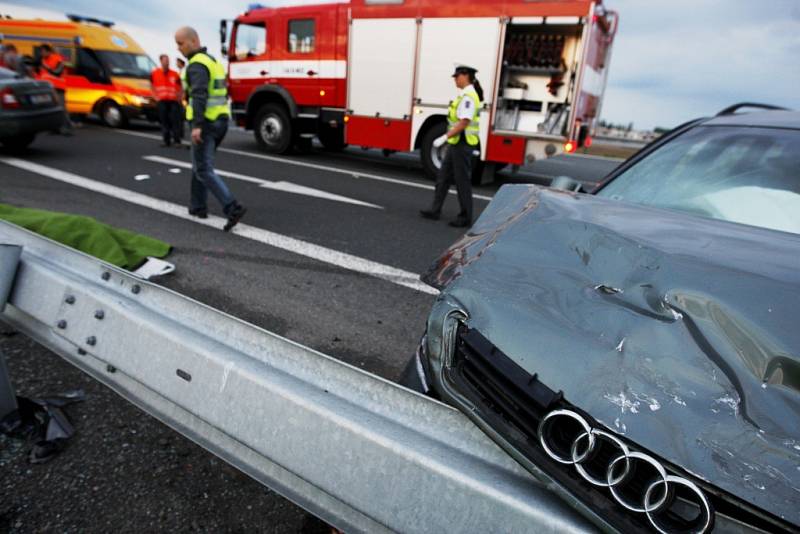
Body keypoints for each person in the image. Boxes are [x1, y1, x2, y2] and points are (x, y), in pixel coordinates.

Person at [174, 26, 246, 231]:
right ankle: (198, 206)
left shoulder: (196, 65)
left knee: (203, 168)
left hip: (206, 123)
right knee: (199, 166)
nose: (178, 48)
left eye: (180, 43)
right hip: (221, 120)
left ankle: (232, 207)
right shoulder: (212, 61)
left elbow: (198, 95)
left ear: (193, 41)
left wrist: (197, 126)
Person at [420, 64, 484, 228]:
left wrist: (444, 137)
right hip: (456, 143)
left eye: (457, 76)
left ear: (465, 76)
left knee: (462, 180)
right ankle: (435, 210)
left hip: (462, 143)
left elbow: (464, 121)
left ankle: (465, 216)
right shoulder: (464, 95)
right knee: (443, 177)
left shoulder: (469, 96)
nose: (455, 79)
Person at [38, 43, 74, 135]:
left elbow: (57, 72)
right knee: (51, 109)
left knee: (61, 108)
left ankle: (67, 128)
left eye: (42, 51)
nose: (41, 53)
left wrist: (47, 67)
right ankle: (54, 128)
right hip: (48, 88)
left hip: (58, 87)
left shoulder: (58, 58)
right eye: (40, 51)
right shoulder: (43, 60)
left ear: (48, 51)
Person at [150, 54, 184, 147]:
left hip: (173, 101)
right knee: (164, 121)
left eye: (168, 60)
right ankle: (166, 140)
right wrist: (155, 97)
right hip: (162, 101)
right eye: (165, 60)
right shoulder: (155, 73)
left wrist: (180, 98)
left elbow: (180, 87)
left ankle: (177, 141)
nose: (167, 62)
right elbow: (152, 86)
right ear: (161, 61)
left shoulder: (175, 74)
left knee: (175, 121)